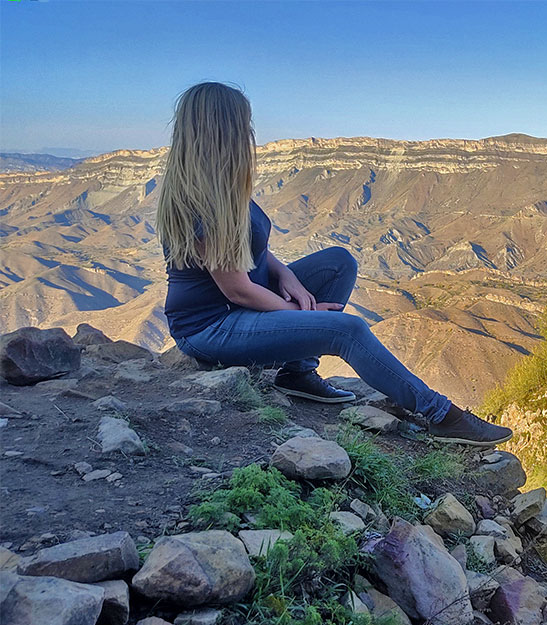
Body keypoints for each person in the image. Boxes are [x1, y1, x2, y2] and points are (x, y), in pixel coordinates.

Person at [157, 82, 510, 446]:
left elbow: (250, 251)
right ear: (225, 131)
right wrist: (299, 314)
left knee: (339, 262)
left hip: (244, 302)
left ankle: (297, 373)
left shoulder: (222, 187)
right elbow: (237, 289)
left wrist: (287, 276)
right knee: (347, 331)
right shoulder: (202, 203)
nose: (251, 134)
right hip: (212, 327)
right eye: (245, 125)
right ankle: (441, 415)